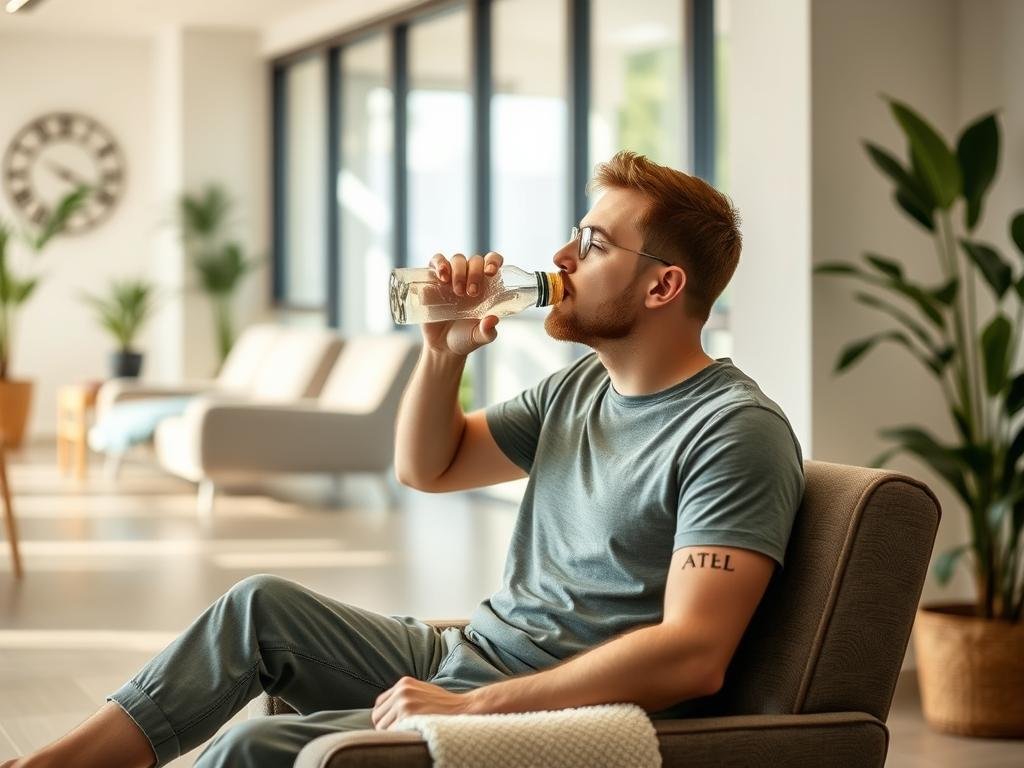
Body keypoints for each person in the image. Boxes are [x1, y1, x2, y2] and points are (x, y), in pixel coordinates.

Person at [3, 151, 804, 768]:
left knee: (257, 754)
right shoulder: (580, 392)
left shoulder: (731, 433)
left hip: (547, 702)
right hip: (471, 652)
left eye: (592, 243)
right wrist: (444, 352)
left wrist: (479, 710)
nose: (561, 253)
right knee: (257, 608)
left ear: (663, 286)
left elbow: (693, 657)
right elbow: (432, 468)